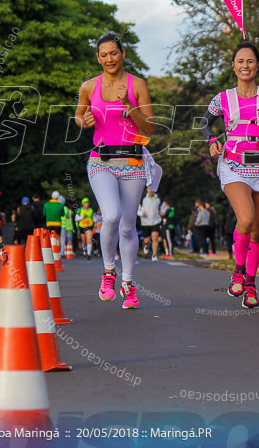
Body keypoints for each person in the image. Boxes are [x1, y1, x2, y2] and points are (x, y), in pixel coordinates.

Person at [199, 41, 259, 309]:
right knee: (246, 219)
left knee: (258, 230)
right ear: (233, 66)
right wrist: (212, 140)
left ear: (257, 65)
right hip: (233, 167)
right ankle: (238, 269)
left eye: (250, 61)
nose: (245, 65)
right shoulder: (223, 99)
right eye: (240, 61)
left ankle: (250, 282)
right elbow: (204, 123)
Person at [75, 31, 158, 310]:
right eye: (104, 54)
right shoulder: (88, 86)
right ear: (98, 58)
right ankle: (109, 273)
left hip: (133, 163)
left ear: (122, 54)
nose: (109, 58)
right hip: (101, 162)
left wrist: (129, 106)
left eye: (114, 52)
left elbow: (149, 128)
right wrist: (83, 121)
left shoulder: (138, 85)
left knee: (127, 226)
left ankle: (128, 284)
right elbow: (79, 114)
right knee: (110, 216)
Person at [138, 188, 162, 261]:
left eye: (152, 189)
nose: (151, 190)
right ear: (147, 190)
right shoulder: (143, 199)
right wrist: (141, 213)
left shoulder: (157, 199)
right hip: (145, 222)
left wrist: (161, 213)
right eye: (149, 189)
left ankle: (154, 255)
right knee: (147, 240)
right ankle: (146, 245)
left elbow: (161, 208)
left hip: (155, 221)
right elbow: (137, 209)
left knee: (155, 237)